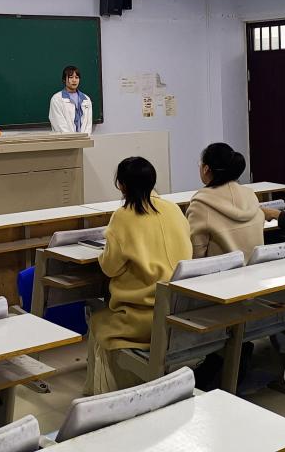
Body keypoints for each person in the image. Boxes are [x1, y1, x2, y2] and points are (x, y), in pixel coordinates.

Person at [86, 157, 191, 393]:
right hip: (180, 311)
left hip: (141, 318)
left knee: (98, 321)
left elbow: (110, 268)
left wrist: (104, 252)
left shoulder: (123, 216)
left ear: (122, 185)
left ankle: (106, 393)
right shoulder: (174, 209)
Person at [186, 143, 264, 259]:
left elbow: (195, 254)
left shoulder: (200, 205)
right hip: (256, 267)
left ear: (206, 169)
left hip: (222, 270)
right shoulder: (251, 195)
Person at [49, 65, 92, 133]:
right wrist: (72, 138)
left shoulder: (86, 99)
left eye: (77, 77)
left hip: (84, 138)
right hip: (65, 138)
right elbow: (59, 124)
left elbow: (88, 124)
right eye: (71, 77)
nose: (74, 80)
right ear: (64, 79)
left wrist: (85, 137)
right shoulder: (56, 99)